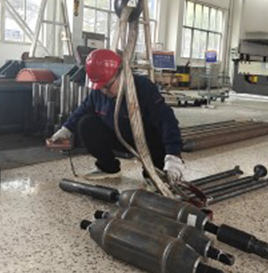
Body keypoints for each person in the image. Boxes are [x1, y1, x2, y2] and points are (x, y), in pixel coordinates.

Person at [49, 48, 185, 182]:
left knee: (155, 175)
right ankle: (108, 167)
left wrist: (173, 155)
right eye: (100, 87)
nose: (104, 91)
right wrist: (66, 129)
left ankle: (155, 170)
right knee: (86, 123)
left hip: (148, 142)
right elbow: (83, 109)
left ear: (122, 74)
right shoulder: (99, 92)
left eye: (107, 86)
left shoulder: (143, 88)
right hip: (121, 137)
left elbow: (167, 120)